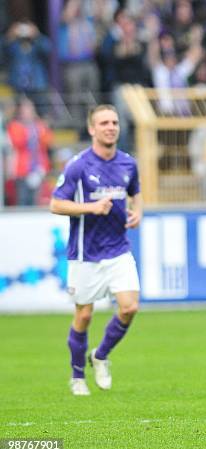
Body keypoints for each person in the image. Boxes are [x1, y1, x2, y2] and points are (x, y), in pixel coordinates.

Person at [50, 105, 142, 396]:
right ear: (92, 129)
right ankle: (77, 376)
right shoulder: (78, 165)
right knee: (84, 316)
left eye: (114, 122)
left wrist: (137, 212)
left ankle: (100, 355)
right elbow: (56, 204)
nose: (110, 127)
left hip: (118, 249)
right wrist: (91, 207)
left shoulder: (128, 163)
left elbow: (135, 192)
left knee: (129, 307)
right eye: (103, 123)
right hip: (84, 253)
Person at [7, 96, 53, 206]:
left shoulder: (39, 125)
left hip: (39, 168)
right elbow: (18, 142)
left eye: (30, 108)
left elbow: (48, 141)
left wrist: (40, 128)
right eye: (25, 109)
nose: (29, 111)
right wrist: (31, 132)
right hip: (22, 169)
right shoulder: (15, 125)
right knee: (22, 200)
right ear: (20, 111)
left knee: (37, 200)